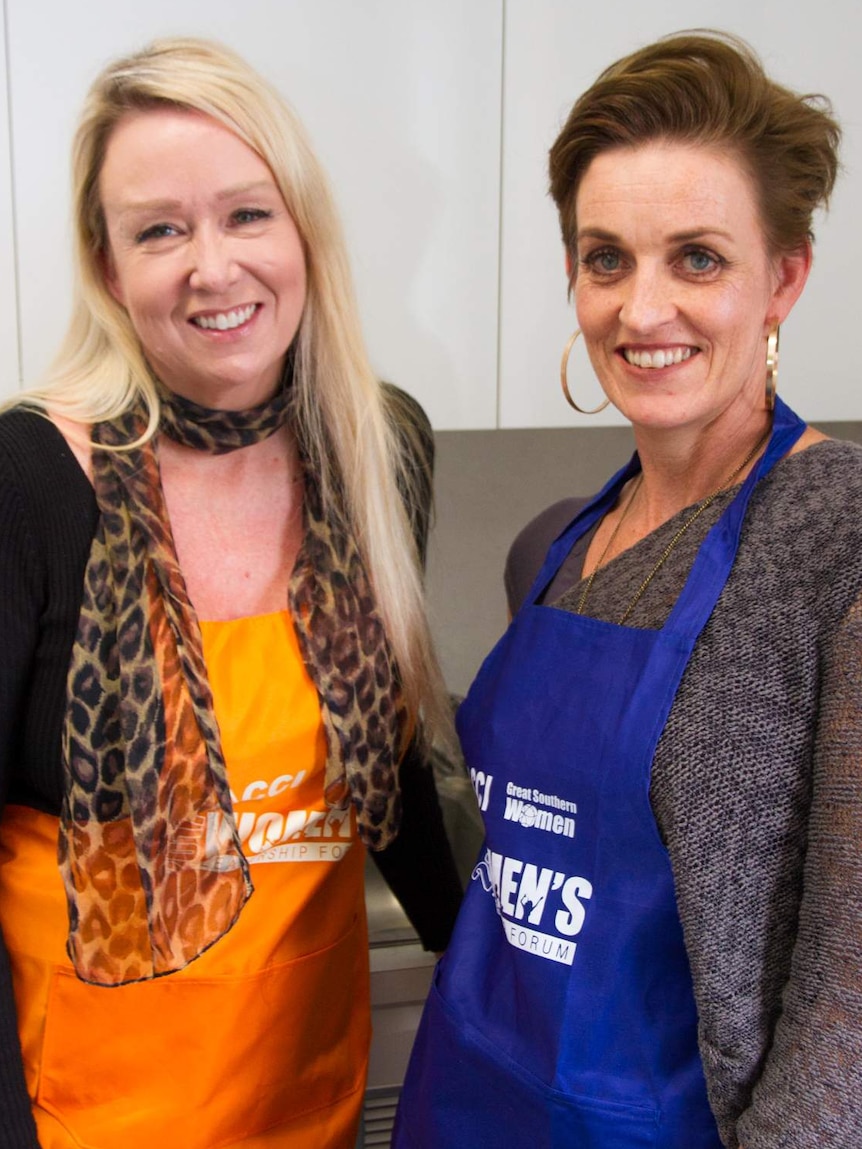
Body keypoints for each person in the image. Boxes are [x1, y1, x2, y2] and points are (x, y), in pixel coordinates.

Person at [393, 29, 862, 1149]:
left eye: (695, 257)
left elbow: (848, 1006)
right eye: (606, 259)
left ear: (783, 276)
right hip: (472, 1103)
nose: (640, 311)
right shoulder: (560, 541)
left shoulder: (835, 539)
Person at [0, 36, 462, 1149]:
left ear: (303, 231)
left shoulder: (374, 447)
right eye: (161, 229)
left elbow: (382, 763)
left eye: (248, 214)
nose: (214, 267)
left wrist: (506, 973)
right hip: (81, 1115)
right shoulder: (32, 480)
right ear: (109, 268)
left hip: (310, 1097)